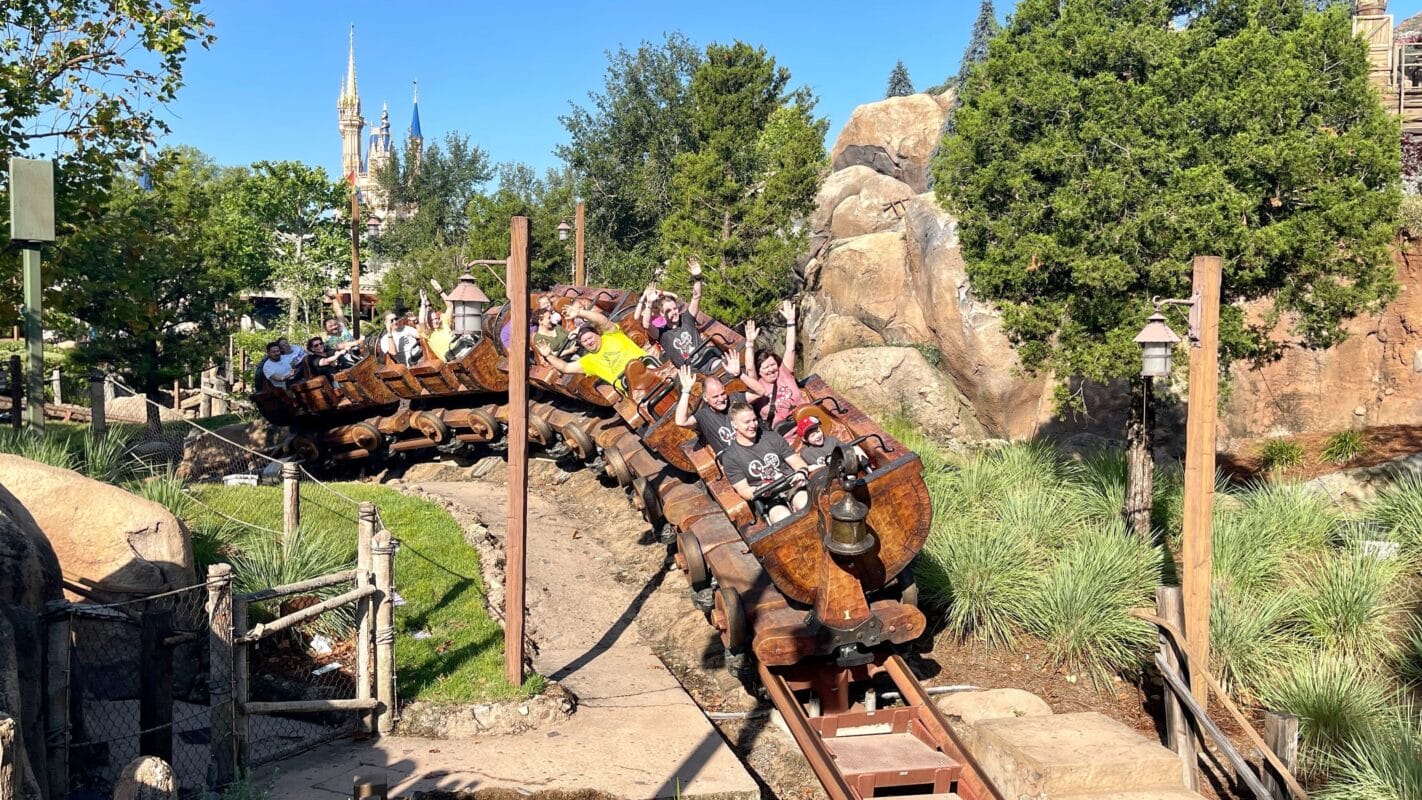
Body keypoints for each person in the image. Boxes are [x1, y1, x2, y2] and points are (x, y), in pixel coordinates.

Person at [719, 402, 809, 523]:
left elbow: (797, 462)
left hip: (790, 485)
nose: (753, 425)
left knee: (805, 504)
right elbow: (744, 490)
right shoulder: (730, 457)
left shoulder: (772, 437)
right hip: (768, 499)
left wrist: (801, 472)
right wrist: (760, 489)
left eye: (754, 420)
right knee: (783, 519)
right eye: (747, 422)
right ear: (734, 424)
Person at [534, 304, 648, 388]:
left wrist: (580, 312)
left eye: (590, 337)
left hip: (648, 367)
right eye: (585, 341)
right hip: (632, 386)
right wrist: (548, 355)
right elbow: (566, 367)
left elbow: (603, 321)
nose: (589, 342)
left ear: (598, 334)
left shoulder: (612, 335)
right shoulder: (589, 361)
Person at [641, 258, 713, 369]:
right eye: (669, 311)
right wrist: (649, 303)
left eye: (675, 309)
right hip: (691, 372)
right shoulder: (662, 334)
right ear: (661, 313)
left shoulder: (687, 318)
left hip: (707, 360)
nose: (674, 313)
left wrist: (697, 278)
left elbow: (696, 296)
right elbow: (646, 325)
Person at [747, 301, 804, 432]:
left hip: (806, 421)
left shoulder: (784, 372)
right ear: (759, 371)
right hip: (785, 434)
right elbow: (750, 368)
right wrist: (749, 344)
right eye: (766, 367)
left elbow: (790, 348)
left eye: (773, 365)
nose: (771, 369)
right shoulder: (758, 385)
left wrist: (790, 322)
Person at [674, 363, 747, 455]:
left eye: (722, 394)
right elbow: (681, 422)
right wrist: (686, 390)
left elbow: (759, 392)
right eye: (715, 396)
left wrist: (740, 374)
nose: (720, 399)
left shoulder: (733, 399)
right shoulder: (703, 415)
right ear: (705, 397)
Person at [419, 289, 455, 361]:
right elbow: (421, 321)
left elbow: (450, 306)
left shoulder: (443, 322)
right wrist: (423, 302)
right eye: (432, 320)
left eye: (436, 318)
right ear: (428, 323)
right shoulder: (429, 333)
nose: (435, 321)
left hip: (462, 347)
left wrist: (440, 291)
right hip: (451, 358)